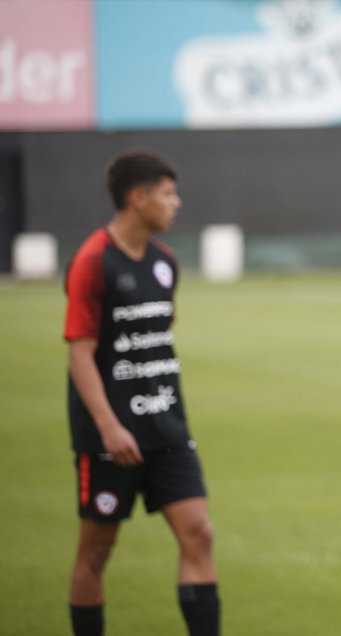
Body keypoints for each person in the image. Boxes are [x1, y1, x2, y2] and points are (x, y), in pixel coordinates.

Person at [64, 150, 219, 635]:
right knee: (95, 552)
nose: (177, 203)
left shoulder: (165, 262)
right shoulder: (92, 262)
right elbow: (80, 354)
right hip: (110, 439)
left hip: (167, 426)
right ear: (138, 198)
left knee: (198, 534)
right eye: (168, 194)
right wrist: (109, 427)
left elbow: (155, 337)